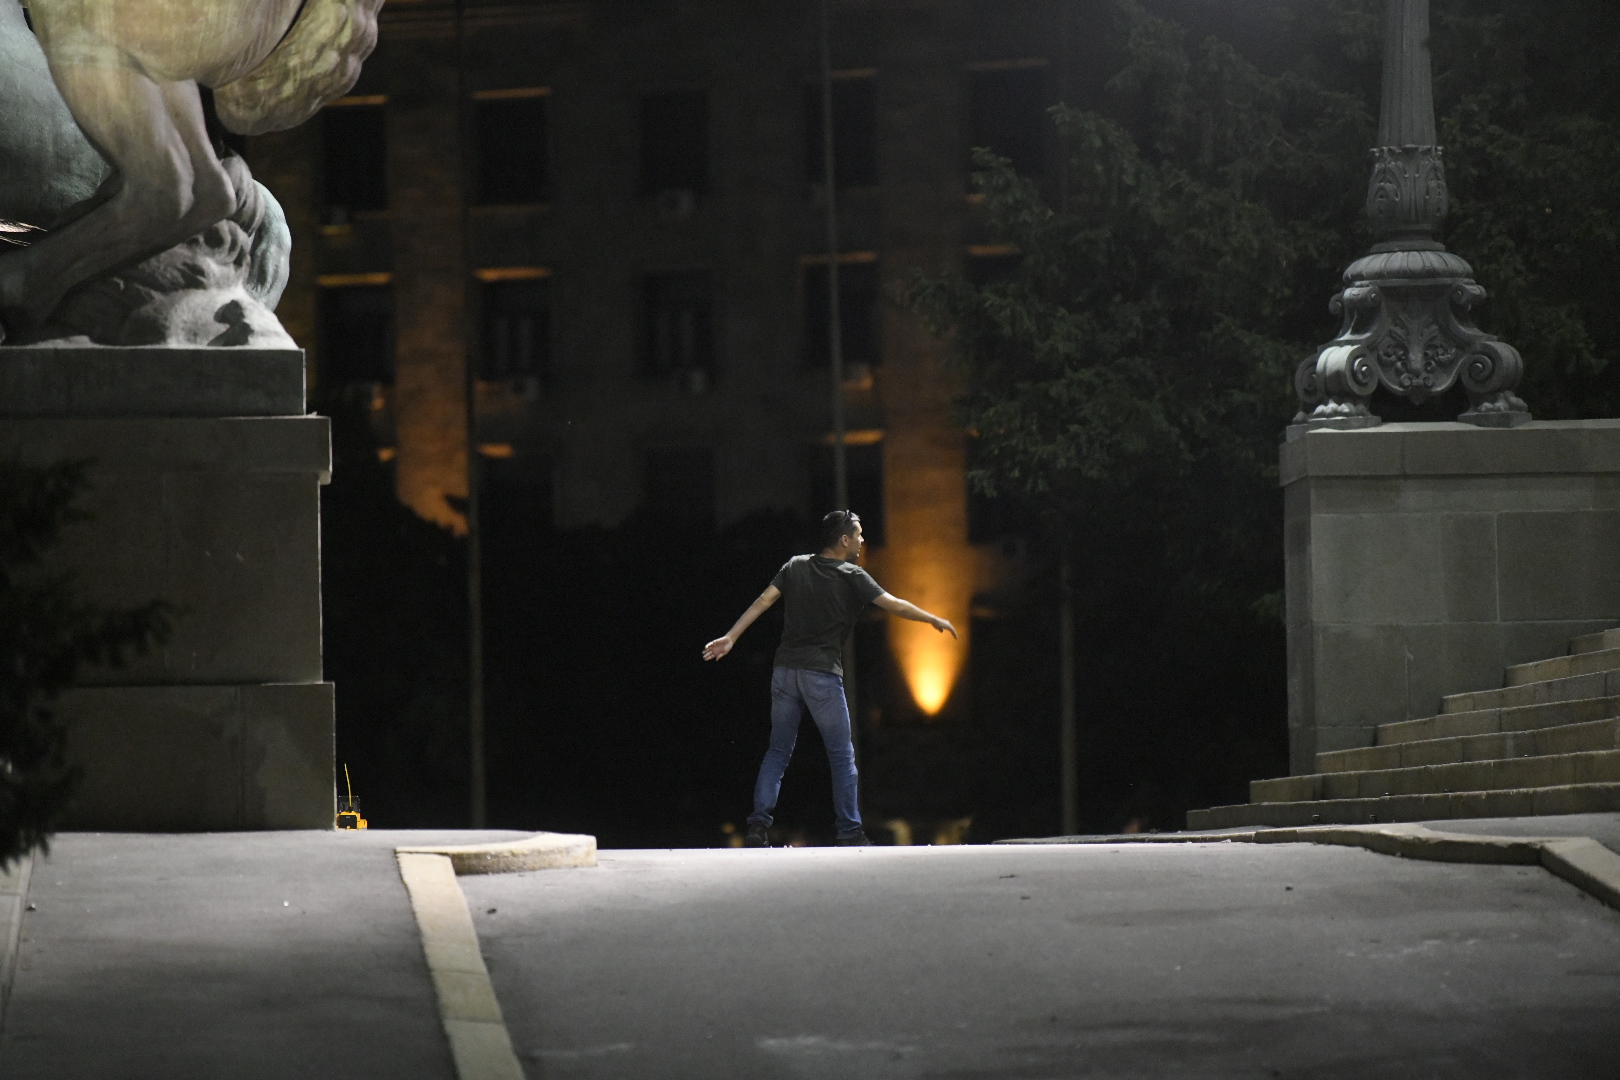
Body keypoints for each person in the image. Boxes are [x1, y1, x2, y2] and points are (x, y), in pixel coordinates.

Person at [703, 509, 957, 847]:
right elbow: (892, 604)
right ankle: (850, 831)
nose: (863, 541)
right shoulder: (852, 575)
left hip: (784, 673)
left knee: (778, 751)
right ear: (844, 540)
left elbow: (764, 601)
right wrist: (931, 618)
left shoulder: (795, 566)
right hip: (820, 674)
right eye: (860, 535)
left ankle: (757, 826)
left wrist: (731, 636)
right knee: (841, 755)